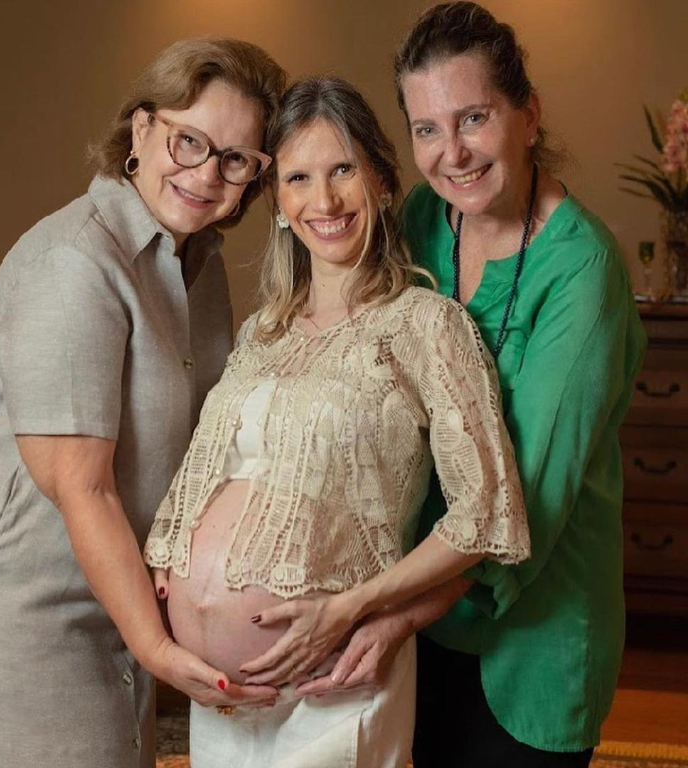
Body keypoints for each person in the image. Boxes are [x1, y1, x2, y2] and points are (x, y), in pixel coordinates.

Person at [296, 4, 647, 767]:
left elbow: (533, 504)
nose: (451, 152)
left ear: (528, 114)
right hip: (422, 599)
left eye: (474, 117)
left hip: (532, 629)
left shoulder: (583, 274)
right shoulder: (425, 217)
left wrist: (385, 615)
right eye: (426, 128)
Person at [145, 75, 530, 768]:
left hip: (334, 682)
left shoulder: (426, 325)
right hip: (221, 694)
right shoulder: (264, 330)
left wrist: (353, 608)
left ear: (382, 181)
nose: (323, 200)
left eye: (343, 170)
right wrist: (174, 576)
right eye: (298, 178)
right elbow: (211, 470)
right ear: (280, 203)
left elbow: (486, 514)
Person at [0, 38, 286, 768]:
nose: (206, 174)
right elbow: (80, 484)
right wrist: (157, 645)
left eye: (236, 159)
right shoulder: (76, 262)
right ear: (142, 131)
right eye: (189, 140)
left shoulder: (198, 266)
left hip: (110, 599)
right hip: (16, 607)